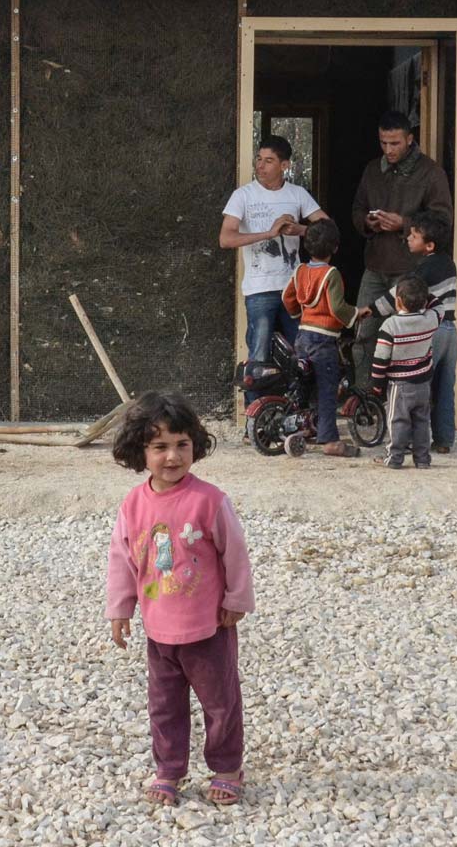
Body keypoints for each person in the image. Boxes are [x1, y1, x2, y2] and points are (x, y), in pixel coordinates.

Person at [105, 392, 253, 809]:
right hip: (159, 630)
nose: (173, 456)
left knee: (220, 702)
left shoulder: (210, 500)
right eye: (160, 447)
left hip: (209, 627)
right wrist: (120, 608)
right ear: (140, 451)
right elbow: (121, 558)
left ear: (196, 445)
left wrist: (237, 598)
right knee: (164, 707)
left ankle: (226, 768)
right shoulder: (133, 505)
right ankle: (168, 769)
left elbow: (235, 552)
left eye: (182, 444)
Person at [350, 111, 452, 394]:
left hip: (411, 271)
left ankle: (399, 399)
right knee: (365, 333)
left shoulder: (431, 173)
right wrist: (366, 223)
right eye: (383, 143)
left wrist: (404, 224)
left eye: (394, 143)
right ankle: (363, 399)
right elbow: (357, 209)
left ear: (410, 139)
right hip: (374, 265)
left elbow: (443, 224)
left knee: (405, 339)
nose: (388, 150)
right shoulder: (372, 169)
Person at [220, 136, 328, 403]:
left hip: (294, 287)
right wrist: (269, 233)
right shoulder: (243, 195)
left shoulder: (297, 194)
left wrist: (300, 230)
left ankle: (298, 413)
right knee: (259, 354)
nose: (260, 165)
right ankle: (255, 419)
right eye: (259, 159)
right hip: (259, 289)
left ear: (285, 165)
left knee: (300, 352)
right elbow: (226, 238)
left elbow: (328, 228)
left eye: (269, 161)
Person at [361, 211, 457, 452]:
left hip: (432, 333)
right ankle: (444, 441)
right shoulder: (448, 263)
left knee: (417, 387)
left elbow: (401, 293)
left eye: (414, 236)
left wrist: (370, 309)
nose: (408, 239)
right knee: (445, 388)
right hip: (450, 332)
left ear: (429, 245)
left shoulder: (424, 269)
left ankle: (411, 441)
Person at [281, 219, 358, 458]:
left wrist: (298, 315)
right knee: (326, 390)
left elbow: (287, 297)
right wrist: (354, 314)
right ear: (335, 248)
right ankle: (330, 441)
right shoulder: (331, 273)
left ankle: (302, 429)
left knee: (303, 385)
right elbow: (336, 307)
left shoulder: (301, 270)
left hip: (302, 336)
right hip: (324, 340)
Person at [370, 275, 438, 469]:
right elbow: (439, 305)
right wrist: (425, 294)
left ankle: (395, 458)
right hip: (423, 382)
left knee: (397, 421)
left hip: (400, 385)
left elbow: (380, 359)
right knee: (422, 421)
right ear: (425, 301)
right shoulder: (431, 319)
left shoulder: (390, 325)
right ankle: (423, 459)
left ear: (398, 301)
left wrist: (376, 384)